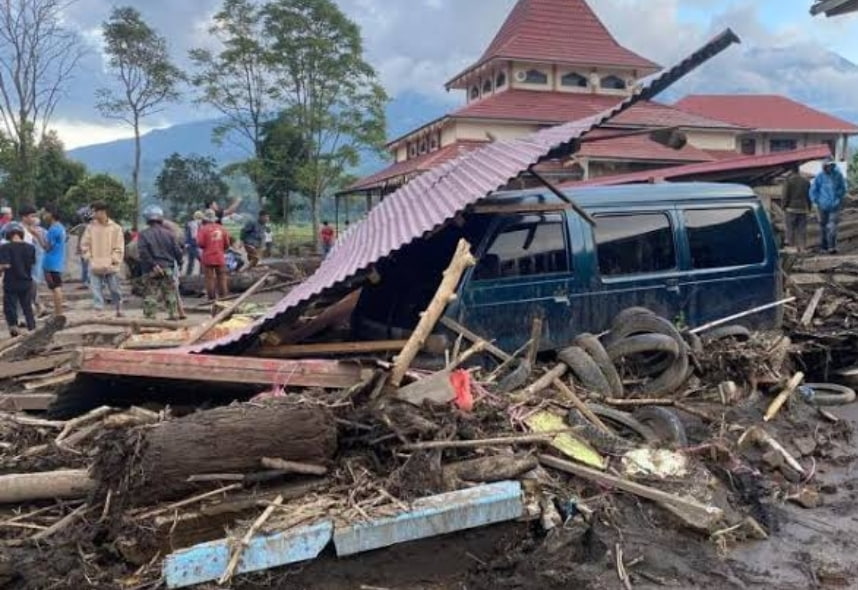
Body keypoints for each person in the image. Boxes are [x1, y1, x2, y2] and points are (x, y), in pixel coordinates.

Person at [137, 206, 183, 320]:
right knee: (170, 293)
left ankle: (150, 316)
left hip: (150, 270)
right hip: (168, 268)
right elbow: (178, 252)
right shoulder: (170, 234)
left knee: (150, 294)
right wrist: (179, 264)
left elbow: (143, 252)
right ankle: (173, 315)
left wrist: (154, 265)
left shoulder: (143, 234)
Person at [80, 201, 125, 316]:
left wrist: (113, 260)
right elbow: (84, 244)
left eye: (94, 211)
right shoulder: (90, 228)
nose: (93, 214)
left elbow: (119, 247)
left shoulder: (116, 228)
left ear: (102, 212)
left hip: (111, 264)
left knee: (114, 288)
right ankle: (98, 309)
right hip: (95, 263)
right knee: (95, 288)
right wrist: (89, 258)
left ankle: (119, 308)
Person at [0, 222, 36, 336]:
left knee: (10, 307)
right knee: (27, 307)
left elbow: (5, 265)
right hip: (26, 282)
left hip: (11, 282)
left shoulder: (5, 247)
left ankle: (14, 328)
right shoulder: (31, 248)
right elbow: (32, 263)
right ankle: (32, 328)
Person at [810, 157, 847, 254]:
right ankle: (824, 246)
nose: (829, 168)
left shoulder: (838, 176)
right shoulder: (820, 177)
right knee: (823, 226)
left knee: (832, 226)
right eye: (827, 166)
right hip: (822, 206)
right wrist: (816, 201)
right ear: (824, 166)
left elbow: (843, 188)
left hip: (834, 206)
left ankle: (832, 246)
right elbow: (813, 190)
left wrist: (838, 197)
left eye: (830, 166)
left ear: (832, 166)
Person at [197, 209, 231, 301]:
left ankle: (211, 298)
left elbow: (200, 243)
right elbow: (227, 244)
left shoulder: (203, 229)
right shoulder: (222, 228)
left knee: (209, 279)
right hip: (220, 256)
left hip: (208, 257)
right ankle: (224, 297)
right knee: (222, 278)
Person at [41, 204, 66, 316]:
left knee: (55, 287)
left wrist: (37, 235)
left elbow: (47, 247)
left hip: (51, 262)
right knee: (57, 286)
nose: (44, 215)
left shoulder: (53, 229)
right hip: (58, 261)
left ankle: (58, 312)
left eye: (45, 213)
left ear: (51, 214)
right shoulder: (61, 228)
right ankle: (58, 311)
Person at [782, 164, 812, 252]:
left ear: (791, 171)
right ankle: (802, 247)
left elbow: (785, 196)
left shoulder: (788, 181)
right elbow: (809, 197)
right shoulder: (806, 182)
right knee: (801, 229)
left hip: (791, 208)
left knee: (790, 229)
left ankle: (792, 248)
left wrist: (783, 206)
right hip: (803, 209)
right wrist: (809, 208)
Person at [184, 211, 203, 276]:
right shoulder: (196, 224)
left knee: (191, 261)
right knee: (202, 260)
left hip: (189, 245)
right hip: (195, 245)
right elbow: (195, 236)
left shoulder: (190, 224)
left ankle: (188, 275)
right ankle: (202, 275)